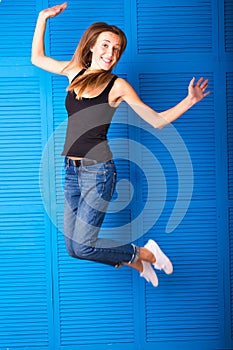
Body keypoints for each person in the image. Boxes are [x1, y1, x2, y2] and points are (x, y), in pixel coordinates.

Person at [31, 2, 210, 287]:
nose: (110, 54)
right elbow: (38, 58)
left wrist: (189, 100)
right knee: (73, 248)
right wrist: (42, 18)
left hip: (98, 173)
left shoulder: (117, 86)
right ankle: (139, 262)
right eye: (105, 45)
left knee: (84, 246)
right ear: (92, 46)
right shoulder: (75, 72)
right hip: (71, 172)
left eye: (116, 49)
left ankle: (146, 253)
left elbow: (156, 121)